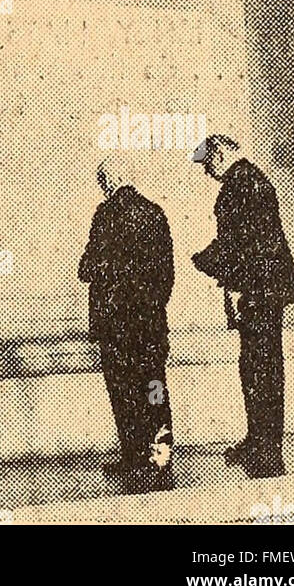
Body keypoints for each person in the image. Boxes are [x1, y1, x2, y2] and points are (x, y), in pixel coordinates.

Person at [191, 134, 294, 479]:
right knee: (257, 367)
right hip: (264, 290)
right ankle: (259, 441)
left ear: (222, 155)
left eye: (209, 163)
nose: (208, 172)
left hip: (258, 292)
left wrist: (205, 260)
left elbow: (240, 245)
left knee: (261, 370)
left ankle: (266, 450)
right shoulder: (252, 180)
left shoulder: (239, 186)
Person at [78, 157, 175, 492]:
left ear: (108, 181)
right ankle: (161, 459)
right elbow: (167, 275)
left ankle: (133, 457)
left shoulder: (105, 216)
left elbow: (86, 269)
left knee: (123, 392)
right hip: (150, 323)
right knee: (154, 387)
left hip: (116, 326)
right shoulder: (155, 213)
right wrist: (151, 306)